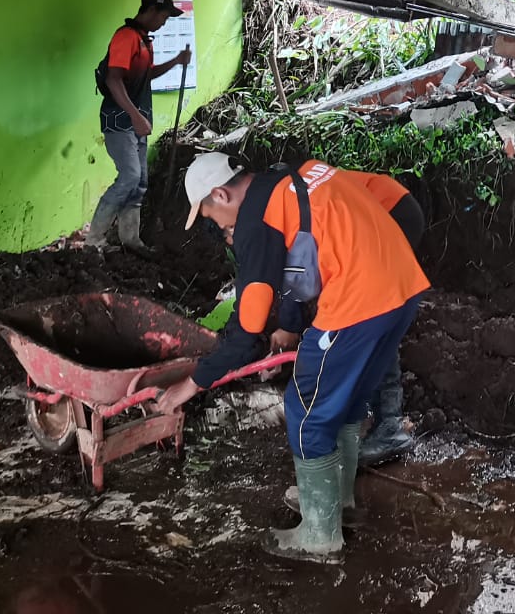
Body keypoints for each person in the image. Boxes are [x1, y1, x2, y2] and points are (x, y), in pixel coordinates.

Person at [155, 152, 428, 564]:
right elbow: (296, 271)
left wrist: (193, 383)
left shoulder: (255, 218)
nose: (219, 226)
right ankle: (340, 502)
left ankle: (320, 535)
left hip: (359, 301)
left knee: (305, 408)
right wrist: (288, 322)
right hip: (403, 287)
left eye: (212, 216)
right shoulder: (294, 177)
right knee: (348, 397)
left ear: (220, 194)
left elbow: (247, 331)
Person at [87, 0, 190, 250]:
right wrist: (135, 116)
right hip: (120, 121)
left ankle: (130, 239)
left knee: (139, 183)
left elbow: (146, 75)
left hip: (137, 122)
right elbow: (113, 78)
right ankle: (93, 241)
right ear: (152, 11)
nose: (165, 22)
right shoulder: (126, 37)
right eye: (164, 16)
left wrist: (176, 61)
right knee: (130, 177)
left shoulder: (144, 40)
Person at [341, 170, 424, 465]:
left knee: (372, 317)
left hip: (390, 215)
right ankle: (381, 415)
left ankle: (390, 426)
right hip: (390, 212)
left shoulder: (290, 200)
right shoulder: (294, 190)